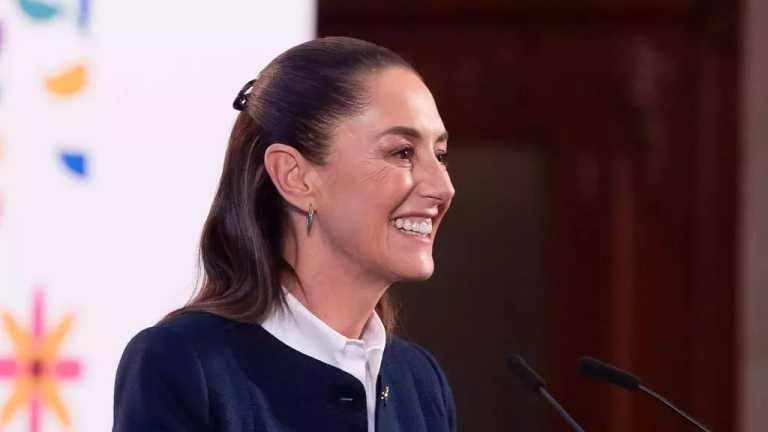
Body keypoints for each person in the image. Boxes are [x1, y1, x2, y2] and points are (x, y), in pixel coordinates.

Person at [112, 36, 456, 432]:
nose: (443, 187)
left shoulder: (421, 383)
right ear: (295, 177)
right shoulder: (184, 364)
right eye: (402, 152)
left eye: (441, 155)